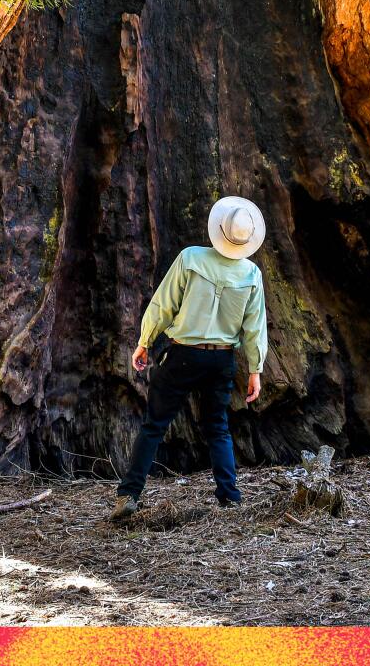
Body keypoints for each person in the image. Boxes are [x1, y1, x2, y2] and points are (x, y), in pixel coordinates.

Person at [111, 196, 269, 519]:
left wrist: (144, 342)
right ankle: (230, 497)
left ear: (219, 229)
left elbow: (162, 305)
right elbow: (255, 327)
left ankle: (129, 494)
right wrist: (256, 370)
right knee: (217, 428)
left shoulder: (191, 259)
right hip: (222, 360)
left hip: (183, 355)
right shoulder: (251, 274)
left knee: (154, 424)